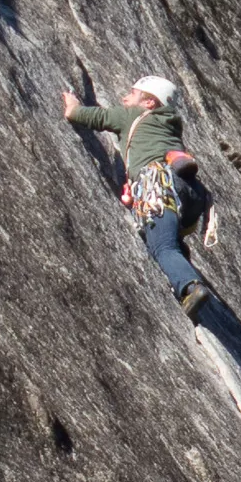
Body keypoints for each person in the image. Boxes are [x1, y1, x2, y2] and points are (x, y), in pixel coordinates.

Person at [62, 74, 212, 315]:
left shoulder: (134, 115)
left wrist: (72, 105)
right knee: (170, 239)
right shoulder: (167, 126)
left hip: (158, 185)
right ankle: (180, 271)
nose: (124, 98)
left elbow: (93, 117)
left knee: (163, 246)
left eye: (132, 94)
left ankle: (190, 287)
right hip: (190, 191)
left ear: (149, 103)